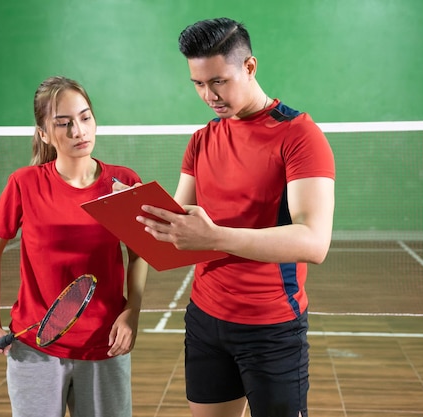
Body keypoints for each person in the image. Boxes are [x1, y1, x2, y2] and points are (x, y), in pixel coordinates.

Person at [135, 18, 335, 417]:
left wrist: (214, 237)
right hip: (205, 320)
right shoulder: (201, 139)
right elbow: (177, 226)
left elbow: (314, 242)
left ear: (249, 67)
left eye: (218, 81)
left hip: (272, 326)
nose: (208, 94)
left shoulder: (299, 136)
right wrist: (132, 213)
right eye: (197, 83)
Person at [0, 76, 148, 417]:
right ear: (44, 133)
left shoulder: (123, 183)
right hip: (34, 348)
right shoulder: (24, 184)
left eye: (85, 118)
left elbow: (139, 252)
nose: (78, 131)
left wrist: (133, 311)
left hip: (104, 344)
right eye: (64, 123)